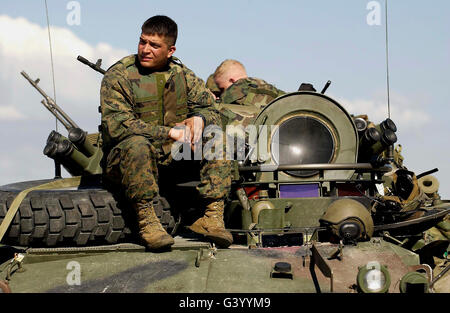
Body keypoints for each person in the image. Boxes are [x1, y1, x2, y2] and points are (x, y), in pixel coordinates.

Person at [100, 15, 233, 250]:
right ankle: (147, 221)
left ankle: (212, 217)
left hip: (172, 158)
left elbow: (212, 109)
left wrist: (199, 120)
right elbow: (119, 125)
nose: (145, 49)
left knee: (217, 137)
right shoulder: (119, 75)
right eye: (143, 42)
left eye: (154, 45)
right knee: (137, 144)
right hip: (125, 161)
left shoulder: (183, 75)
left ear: (170, 50)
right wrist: (170, 132)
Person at [213, 59, 286, 109]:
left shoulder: (237, 90)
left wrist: (214, 102)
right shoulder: (270, 89)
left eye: (222, 89)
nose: (222, 93)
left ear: (232, 81)